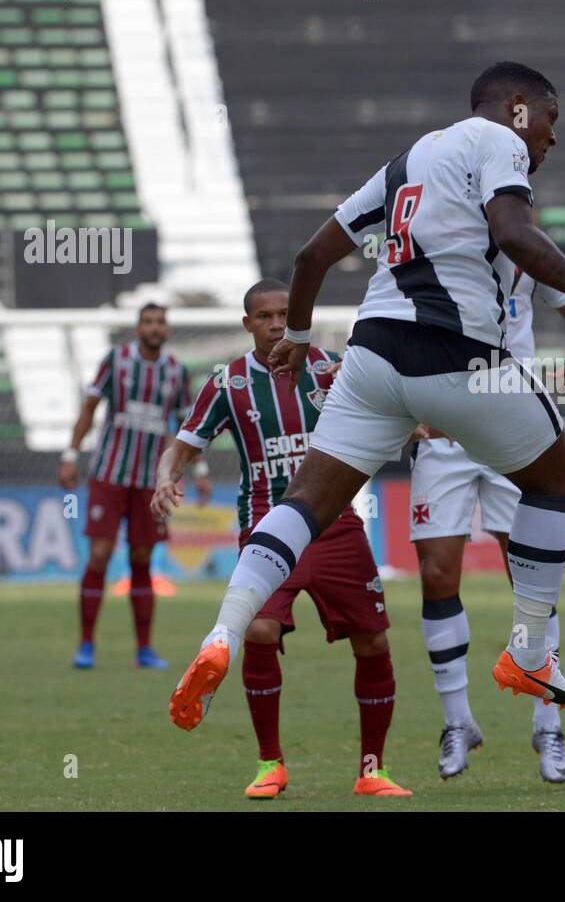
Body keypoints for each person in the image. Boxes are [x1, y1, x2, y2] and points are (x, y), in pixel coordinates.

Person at [168, 60, 565, 732]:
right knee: (553, 476)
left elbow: (309, 258)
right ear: (515, 106)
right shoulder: (499, 139)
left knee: (303, 502)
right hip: (459, 358)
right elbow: (512, 232)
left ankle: (223, 630)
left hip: (372, 357)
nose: (550, 138)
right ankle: (532, 651)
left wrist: (298, 336)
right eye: (550, 119)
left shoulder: (407, 161)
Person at [152, 279, 410, 798]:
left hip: (336, 524)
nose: (275, 324)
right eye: (264, 316)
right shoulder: (229, 384)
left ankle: (371, 770)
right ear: (247, 324)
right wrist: (166, 475)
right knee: (262, 632)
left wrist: (419, 421)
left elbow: (392, 404)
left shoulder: (334, 367)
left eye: (283, 314)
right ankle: (270, 763)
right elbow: (182, 444)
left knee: (374, 640)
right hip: (267, 524)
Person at [410, 251, 565, 781]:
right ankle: (457, 722)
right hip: (442, 433)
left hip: (514, 427)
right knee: (437, 575)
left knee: (530, 582)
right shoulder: (428, 250)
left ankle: (548, 725)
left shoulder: (523, 248)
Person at [59, 303, 204, 670]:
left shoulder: (176, 372)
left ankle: (144, 649)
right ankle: (86, 644)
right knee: (99, 555)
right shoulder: (117, 361)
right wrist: (70, 454)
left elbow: (188, 426)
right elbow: (90, 408)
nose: (154, 328)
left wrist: (197, 469)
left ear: (167, 330)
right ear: (138, 328)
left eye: (160, 322)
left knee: (142, 559)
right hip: (110, 474)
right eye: (148, 322)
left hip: (150, 482)